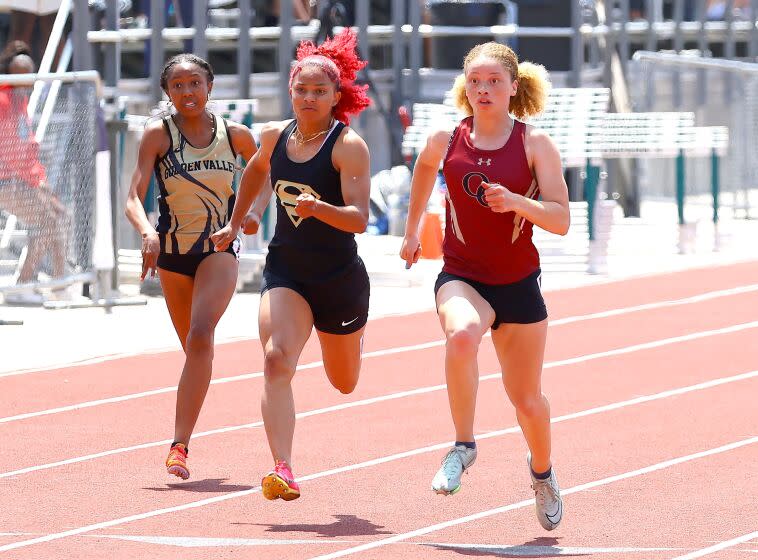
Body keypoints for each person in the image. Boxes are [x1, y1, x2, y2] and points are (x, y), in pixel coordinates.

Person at [400, 42, 569, 531]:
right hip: (463, 274)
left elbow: (560, 219)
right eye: (475, 81)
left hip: (518, 282)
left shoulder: (536, 144)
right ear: (465, 87)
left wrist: (516, 201)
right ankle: (463, 445)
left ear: (514, 87)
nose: (484, 89)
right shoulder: (445, 138)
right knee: (461, 335)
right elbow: (424, 170)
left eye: (494, 81)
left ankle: (542, 473)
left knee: (527, 401)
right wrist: (412, 230)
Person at [212, 28, 371, 502]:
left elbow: (360, 219)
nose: (308, 97)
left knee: (344, 383)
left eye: (320, 90)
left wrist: (318, 208)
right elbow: (257, 173)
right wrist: (240, 221)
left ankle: (352, 338)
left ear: (337, 95)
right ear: (289, 91)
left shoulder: (348, 146)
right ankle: (282, 466)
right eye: (301, 89)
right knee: (275, 358)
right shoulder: (274, 135)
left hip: (338, 279)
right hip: (288, 272)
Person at [124, 53, 263, 480]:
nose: (188, 92)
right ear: (168, 93)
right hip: (171, 253)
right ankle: (194, 407)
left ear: (210, 87)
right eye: (178, 85)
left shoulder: (236, 136)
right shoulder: (157, 135)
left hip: (218, 248)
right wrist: (147, 231)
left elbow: (266, 179)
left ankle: (178, 445)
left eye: (195, 83)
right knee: (194, 349)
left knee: (201, 335)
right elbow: (133, 196)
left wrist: (248, 216)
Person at [0, 41, 67, 305]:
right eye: (19, 76)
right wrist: (35, 182)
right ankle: (24, 283)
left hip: (20, 178)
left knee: (60, 216)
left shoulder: (20, 99)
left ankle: (60, 283)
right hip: (6, 180)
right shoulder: (4, 98)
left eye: (28, 77)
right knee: (47, 222)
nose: (24, 82)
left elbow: (26, 146)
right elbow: (10, 151)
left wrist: (40, 180)